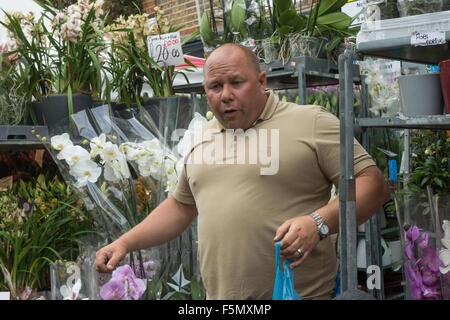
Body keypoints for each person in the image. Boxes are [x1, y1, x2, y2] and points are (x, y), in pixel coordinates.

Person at [95, 43, 390, 300]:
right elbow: (182, 206)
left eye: (237, 83)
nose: (226, 95)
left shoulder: (310, 122)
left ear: (261, 81)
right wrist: (124, 242)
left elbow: (372, 185)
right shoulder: (203, 136)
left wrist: (319, 223)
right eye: (215, 86)